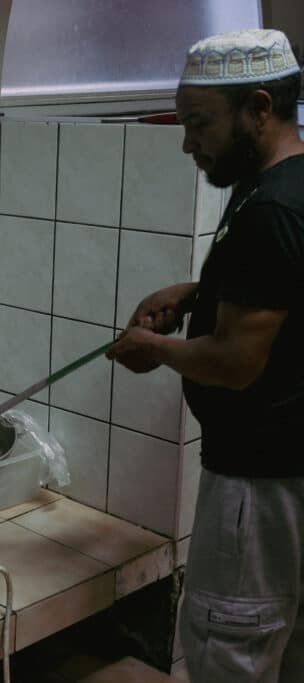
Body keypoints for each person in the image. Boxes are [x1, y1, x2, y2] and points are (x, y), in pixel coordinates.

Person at [107, 28, 304, 683]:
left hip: (256, 478)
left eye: (198, 123)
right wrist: (197, 293)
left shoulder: (271, 209)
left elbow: (235, 362)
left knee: (229, 644)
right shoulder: (283, 183)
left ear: (258, 108)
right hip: (281, 465)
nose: (187, 140)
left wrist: (155, 348)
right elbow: (280, 289)